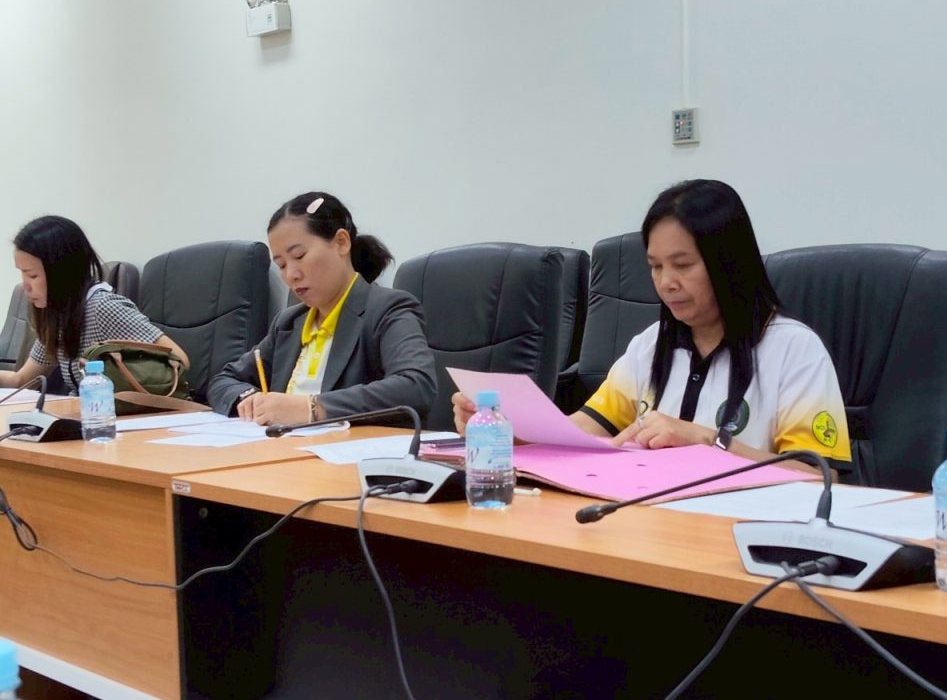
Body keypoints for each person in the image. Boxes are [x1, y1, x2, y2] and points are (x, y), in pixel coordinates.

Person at [453, 179, 851, 470]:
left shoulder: (793, 350)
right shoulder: (650, 345)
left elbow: (816, 476)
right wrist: (512, 430)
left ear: (729, 264)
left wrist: (709, 441)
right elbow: (584, 431)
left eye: (682, 265)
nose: (666, 282)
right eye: (655, 266)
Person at [208, 191, 437, 426]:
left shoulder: (387, 309)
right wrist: (250, 398)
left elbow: (416, 386)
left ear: (341, 242)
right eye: (282, 265)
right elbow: (224, 380)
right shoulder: (289, 323)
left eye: (299, 256)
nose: (291, 275)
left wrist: (313, 408)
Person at [0, 215, 190, 393]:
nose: (25, 286)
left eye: (32, 275)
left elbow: (180, 360)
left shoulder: (104, 308)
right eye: (22, 273)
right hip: (87, 410)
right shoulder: (58, 316)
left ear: (61, 273)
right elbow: (22, 380)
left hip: (123, 412)